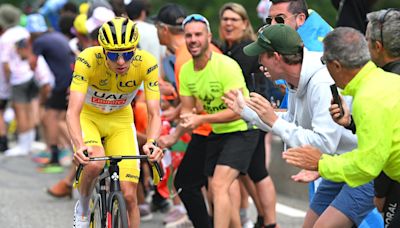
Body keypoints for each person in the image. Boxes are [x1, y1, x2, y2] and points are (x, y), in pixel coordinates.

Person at [223, 24, 376, 227]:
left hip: (364, 166)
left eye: (262, 56)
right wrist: (247, 112)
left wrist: (274, 119)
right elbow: (290, 124)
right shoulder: (296, 80)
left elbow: (323, 144)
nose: (259, 63)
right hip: (340, 163)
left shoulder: (321, 83)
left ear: (277, 57)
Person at [282, 26, 400, 227]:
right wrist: (351, 123)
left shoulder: (367, 97)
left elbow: (367, 165)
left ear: (336, 65)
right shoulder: (385, 81)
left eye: (323, 62)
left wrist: (322, 164)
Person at [68, 17, 163, 228]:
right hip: (89, 117)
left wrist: (152, 142)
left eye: (127, 54)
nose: (121, 62)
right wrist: (79, 144)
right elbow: (73, 111)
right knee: (94, 163)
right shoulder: (87, 59)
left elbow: (154, 112)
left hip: (120, 120)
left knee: (129, 195)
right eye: (113, 54)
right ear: (102, 50)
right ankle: (83, 208)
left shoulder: (146, 63)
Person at [179, 14, 259, 228]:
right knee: (216, 187)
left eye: (198, 34)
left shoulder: (226, 66)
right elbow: (187, 113)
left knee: (220, 185)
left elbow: (237, 110)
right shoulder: (186, 71)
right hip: (218, 132)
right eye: (188, 36)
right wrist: (170, 136)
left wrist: (201, 118)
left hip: (242, 128)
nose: (193, 40)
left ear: (209, 37)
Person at [328, 9, 400, 227]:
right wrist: (351, 123)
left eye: (366, 40)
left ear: (377, 47)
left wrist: (380, 192)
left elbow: (382, 149)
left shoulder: (386, 81)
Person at [218, 3, 278, 227]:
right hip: (241, 117)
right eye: (225, 19)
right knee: (247, 172)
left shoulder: (247, 50)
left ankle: (270, 221)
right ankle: (263, 217)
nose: (229, 23)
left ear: (245, 23)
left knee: (257, 171)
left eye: (234, 19)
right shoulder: (227, 50)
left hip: (254, 115)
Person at [25, 13, 75, 171]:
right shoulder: (56, 35)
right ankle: (65, 152)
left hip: (62, 83)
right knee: (60, 118)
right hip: (72, 79)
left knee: (50, 117)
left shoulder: (39, 41)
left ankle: (55, 156)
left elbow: (32, 63)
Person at [0, 4, 38, 157]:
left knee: (20, 111)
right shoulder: (23, 31)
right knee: (29, 109)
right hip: (30, 74)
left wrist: (8, 81)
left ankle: (23, 146)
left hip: (17, 78)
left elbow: (6, 64)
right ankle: (29, 143)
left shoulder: (4, 38)